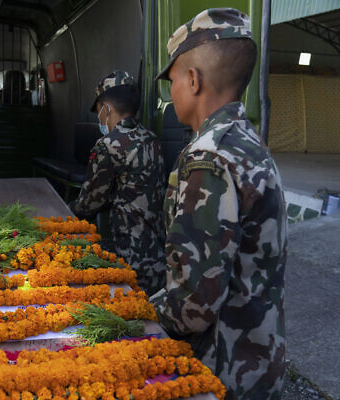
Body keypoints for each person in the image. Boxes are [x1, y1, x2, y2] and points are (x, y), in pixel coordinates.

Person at [150, 8, 287, 400]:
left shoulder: (208, 158)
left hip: (221, 372)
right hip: (260, 359)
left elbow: (194, 304)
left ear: (192, 80)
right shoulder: (248, 142)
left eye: (171, 80)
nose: (170, 91)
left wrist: (135, 314)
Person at [69, 71, 167, 295]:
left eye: (98, 111)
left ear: (107, 108)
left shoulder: (109, 144)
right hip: (158, 258)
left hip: (129, 259)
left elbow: (88, 204)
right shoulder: (152, 139)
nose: (99, 118)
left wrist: (66, 213)